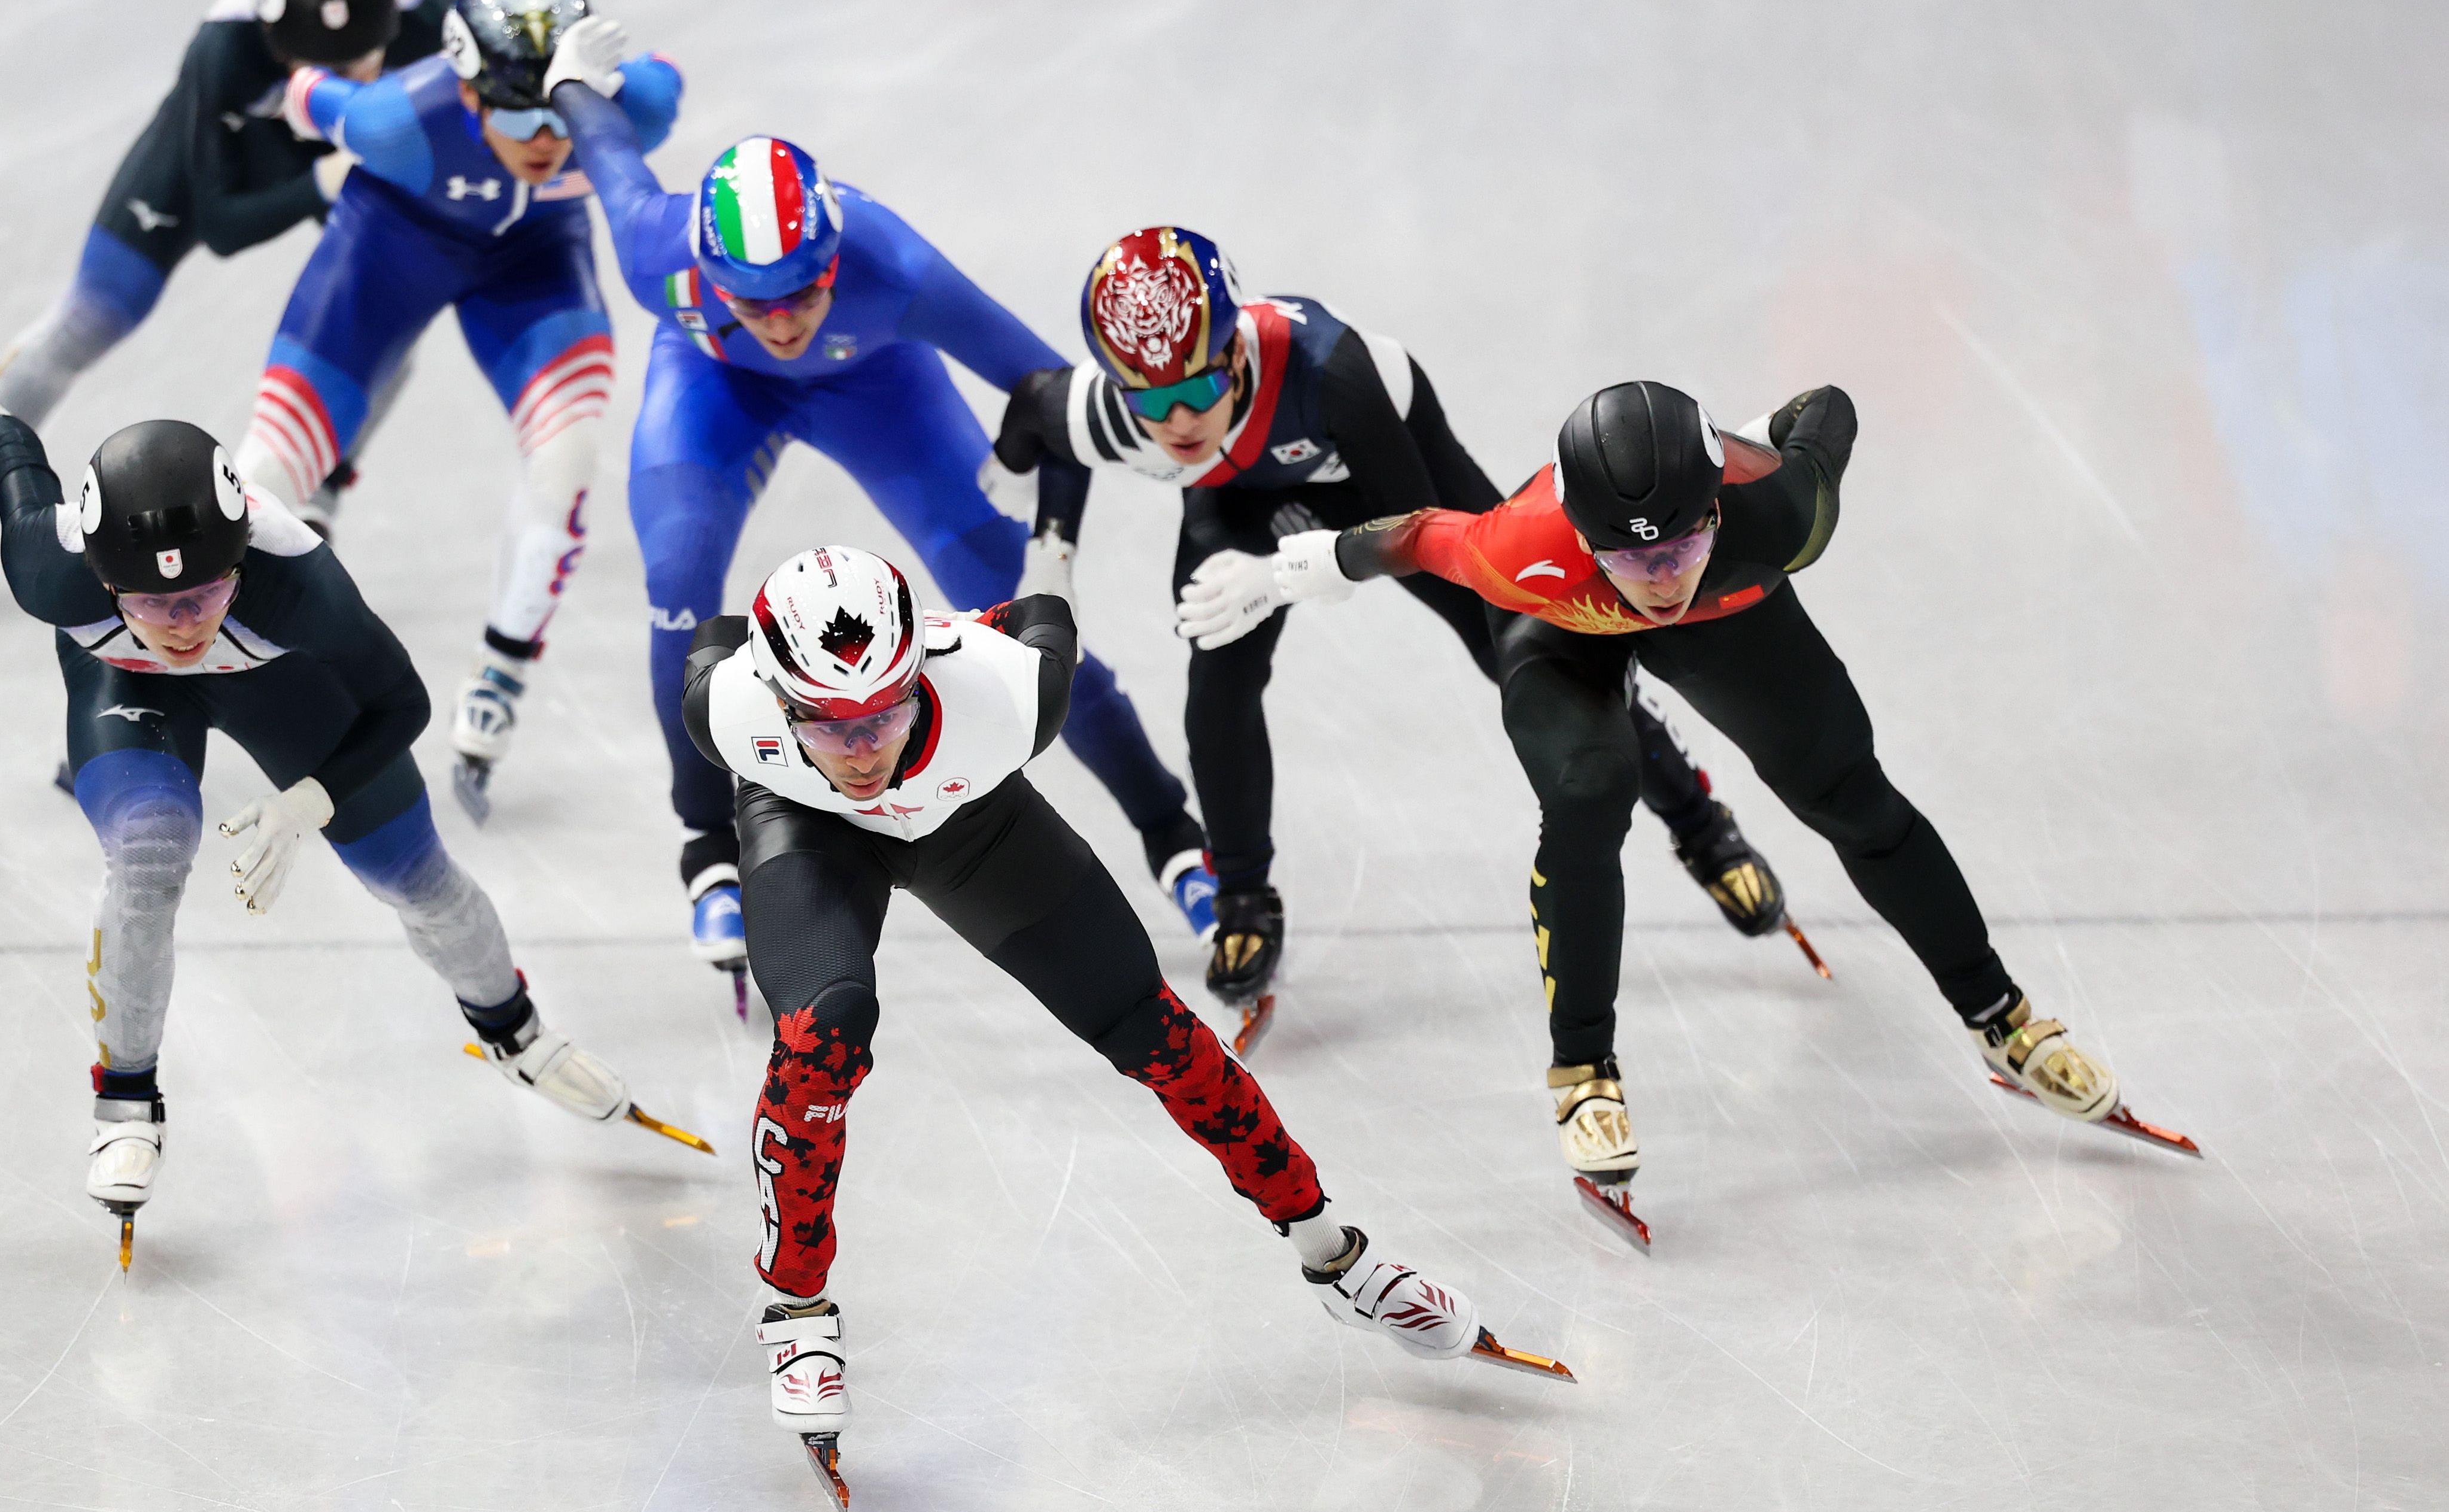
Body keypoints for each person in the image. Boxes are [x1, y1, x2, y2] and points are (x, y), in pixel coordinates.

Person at [683, 546, 1572, 1498]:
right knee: (824, 1032)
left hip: (968, 821)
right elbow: (715, 640)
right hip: (805, 827)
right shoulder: (726, 707)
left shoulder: (1012, 694)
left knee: (1154, 1030)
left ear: (922, 678)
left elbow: (1038, 610)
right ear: (777, 704)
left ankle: (1334, 1252)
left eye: (887, 715)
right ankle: (798, 1309)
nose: (864, 751)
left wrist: (994, 602)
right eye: (830, 725)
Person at [1251, 381, 2187, 1243]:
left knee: (1853, 799)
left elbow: (1830, 408)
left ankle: (2005, 1019)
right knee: (1587, 792)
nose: (1660, 577)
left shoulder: (1782, 511)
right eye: (1631, 552)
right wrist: (1323, 560)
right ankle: (1584, 1073)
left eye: (1681, 544)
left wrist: (1764, 442)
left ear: (1715, 509)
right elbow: (1421, 534)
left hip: (1731, 613)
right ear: (1583, 531)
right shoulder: (1521, 547)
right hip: (1563, 624)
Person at [535, 20, 1218, 1000]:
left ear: (832, 257)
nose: (777, 322)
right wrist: (571, 83)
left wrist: (1056, 542)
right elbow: (606, 155)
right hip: (713, 385)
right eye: (752, 302)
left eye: (801, 295)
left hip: (876, 386)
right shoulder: (659, 255)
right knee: (678, 571)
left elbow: (1047, 393)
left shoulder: (892, 266)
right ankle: (706, 850)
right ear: (709, 277)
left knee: (1002, 592)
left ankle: (1168, 832)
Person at [992, 226, 1804, 1048]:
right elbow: (1033, 414)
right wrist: (1050, 550)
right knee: (1217, 681)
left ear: (1235, 353)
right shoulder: (1119, 412)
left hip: (1395, 479)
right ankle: (1243, 895)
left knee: (1533, 644)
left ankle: (1702, 825)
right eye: (1149, 401)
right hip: (1241, 502)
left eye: (1195, 390)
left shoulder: (1333, 372)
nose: (1175, 422)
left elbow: (1420, 533)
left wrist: (1278, 570)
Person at [0, 379, 705, 1267]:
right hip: (123, 691)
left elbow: (404, 701)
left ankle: (514, 1031)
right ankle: (126, 1101)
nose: (185, 625)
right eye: (155, 603)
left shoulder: (297, 579)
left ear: (242, 561)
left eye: (204, 594)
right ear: (104, 578)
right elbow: (17, 470)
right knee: (149, 854)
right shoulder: (49, 569)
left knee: (417, 877)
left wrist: (310, 798)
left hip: (280, 682)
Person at [0, 0, 553, 611]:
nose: (362, 74)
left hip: (341, 150)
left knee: (381, 324)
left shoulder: (421, 7)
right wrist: (325, 181)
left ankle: (323, 486)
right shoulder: (223, 50)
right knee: (91, 315)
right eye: (333, 68)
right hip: (230, 163)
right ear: (277, 46)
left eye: (371, 54)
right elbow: (221, 224)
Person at [243, 0, 681, 820]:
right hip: (387, 249)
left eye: (561, 107)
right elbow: (303, 92)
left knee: (568, 461)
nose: (547, 135)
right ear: (469, 95)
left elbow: (666, 79)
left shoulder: (635, 109)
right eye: (517, 112)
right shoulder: (397, 119)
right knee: (259, 480)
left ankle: (502, 671)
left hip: (534, 263)